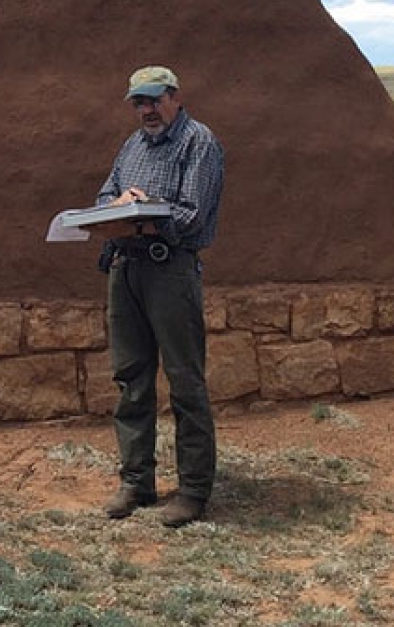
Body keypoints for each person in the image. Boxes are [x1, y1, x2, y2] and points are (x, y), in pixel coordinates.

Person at [92, 64, 225, 527]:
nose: (146, 110)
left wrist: (143, 209)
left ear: (174, 97)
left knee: (185, 381)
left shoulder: (198, 142)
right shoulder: (132, 145)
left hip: (170, 269)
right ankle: (137, 481)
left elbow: (191, 216)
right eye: (138, 102)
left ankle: (192, 490)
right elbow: (105, 193)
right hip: (126, 269)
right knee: (131, 378)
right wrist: (120, 202)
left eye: (153, 99)